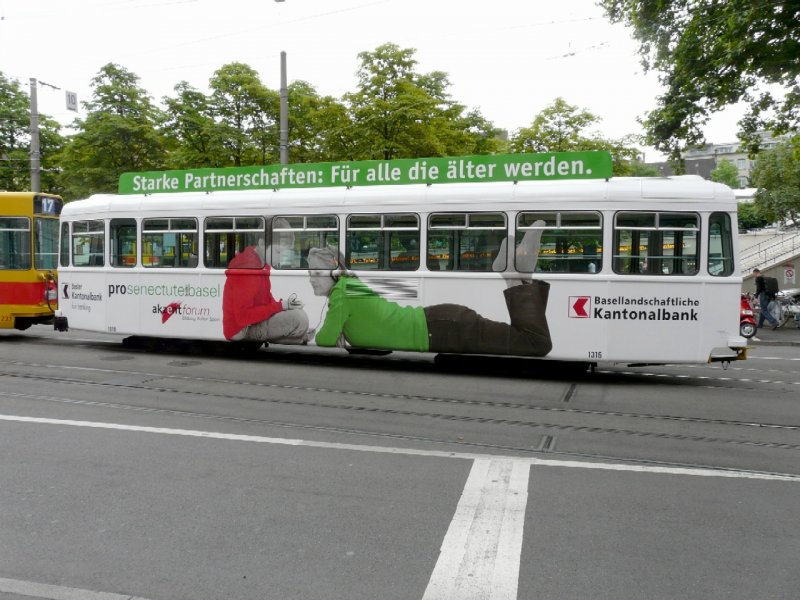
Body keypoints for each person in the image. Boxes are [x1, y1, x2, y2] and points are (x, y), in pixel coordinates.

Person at [305, 227, 551, 357]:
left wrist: (334, 333)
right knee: (529, 341)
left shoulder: (343, 294)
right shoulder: (351, 287)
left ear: (334, 271)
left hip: (442, 329)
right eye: (308, 273)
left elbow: (324, 340)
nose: (311, 280)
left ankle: (517, 274)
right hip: (441, 323)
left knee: (535, 344)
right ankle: (516, 274)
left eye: (316, 273)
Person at [222, 233, 309, 343]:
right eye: (278, 252)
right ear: (262, 243)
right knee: (299, 319)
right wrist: (280, 306)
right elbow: (242, 317)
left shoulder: (262, 263)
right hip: (241, 329)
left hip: (251, 323)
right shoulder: (249, 267)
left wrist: (284, 306)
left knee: (298, 314)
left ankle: (299, 337)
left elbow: (266, 297)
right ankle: (299, 338)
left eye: (284, 253)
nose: (281, 258)